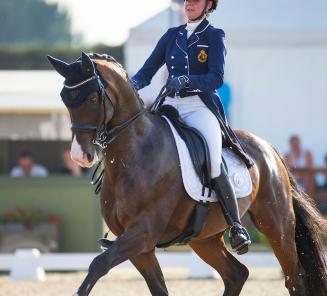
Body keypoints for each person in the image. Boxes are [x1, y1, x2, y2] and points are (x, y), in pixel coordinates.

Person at [131, 0, 251, 254]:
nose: (189, 4)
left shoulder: (213, 36)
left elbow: (216, 77)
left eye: (196, 0)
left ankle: (236, 226)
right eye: (187, 0)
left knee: (212, 159)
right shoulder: (171, 36)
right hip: (170, 105)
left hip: (199, 107)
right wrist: (128, 85)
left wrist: (186, 80)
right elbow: (147, 71)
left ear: (209, 4)